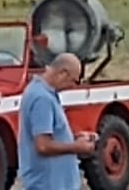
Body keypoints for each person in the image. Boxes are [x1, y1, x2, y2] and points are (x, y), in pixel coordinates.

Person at [19, 52, 97, 190]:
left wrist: (75, 139)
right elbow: (42, 145)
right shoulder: (42, 99)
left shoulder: (45, 93)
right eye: (74, 81)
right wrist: (76, 147)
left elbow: (48, 136)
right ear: (63, 73)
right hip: (48, 184)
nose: (73, 86)